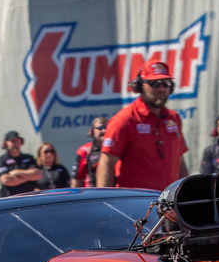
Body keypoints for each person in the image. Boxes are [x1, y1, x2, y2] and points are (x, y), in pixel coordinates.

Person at [94, 60, 187, 189]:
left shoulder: (174, 118)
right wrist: (105, 202)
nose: (161, 88)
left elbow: (180, 161)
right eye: (154, 83)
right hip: (137, 204)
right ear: (140, 86)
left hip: (169, 204)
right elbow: (106, 164)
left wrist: (185, 195)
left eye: (166, 83)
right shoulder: (124, 120)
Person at [0, 131, 42, 196]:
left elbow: (38, 174)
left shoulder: (29, 158)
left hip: (29, 196)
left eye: (17, 140)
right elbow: (6, 180)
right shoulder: (1, 160)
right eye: (12, 141)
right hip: (11, 198)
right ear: (6, 143)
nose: (15, 143)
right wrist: (29, 176)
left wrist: (17, 172)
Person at [73, 116, 107, 187]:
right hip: (92, 193)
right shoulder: (85, 150)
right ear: (92, 132)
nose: (104, 131)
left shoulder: (117, 148)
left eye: (106, 128)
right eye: (100, 128)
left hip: (114, 192)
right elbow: (76, 179)